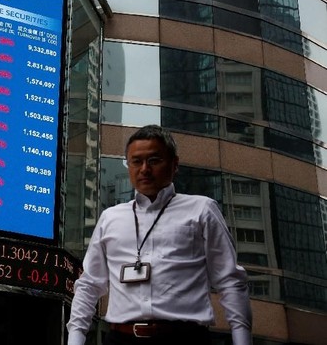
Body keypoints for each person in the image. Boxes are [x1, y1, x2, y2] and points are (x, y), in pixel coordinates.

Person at [67, 125, 252, 345]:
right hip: (121, 338)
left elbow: (230, 281)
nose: (144, 169)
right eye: (136, 161)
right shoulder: (110, 218)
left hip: (185, 339)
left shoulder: (202, 210)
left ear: (174, 164)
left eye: (154, 160)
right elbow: (89, 285)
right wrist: (75, 340)